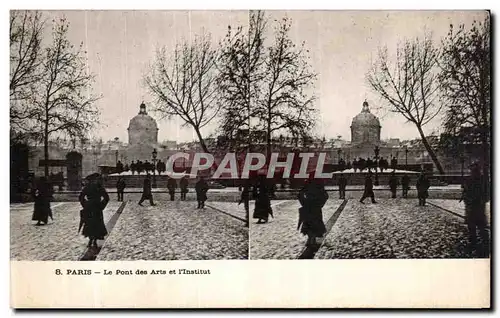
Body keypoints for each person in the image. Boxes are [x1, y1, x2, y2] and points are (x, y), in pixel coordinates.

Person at [461, 163, 488, 247]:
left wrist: (483, 200)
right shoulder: (470, 180)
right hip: (473, 204)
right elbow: (465, 190)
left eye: (474, 170)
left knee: (479, 223)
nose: (473, 172)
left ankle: (482, 240)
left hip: (477, 204)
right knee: (474, 223)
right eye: (472, 170)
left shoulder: (482, 180)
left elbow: (487, 191)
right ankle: (475, 239)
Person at [79, 173, 109, 248]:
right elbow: (106, 198)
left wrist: (85, 204)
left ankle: (91, 240)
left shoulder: (87, 187)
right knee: (97, 224)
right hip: (97, 207)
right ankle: (94, 240)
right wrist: (102, 205)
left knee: (89, 223)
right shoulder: (99, 187)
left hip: (89, 207)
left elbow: (81, 197)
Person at [298, 176, 329, 246]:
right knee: (315, 222)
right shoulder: (319, 184)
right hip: (316, 207)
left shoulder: (307, 183)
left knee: (309, 222)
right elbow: (325, 195)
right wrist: (320, 204)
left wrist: (304, 202)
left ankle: (311, 238)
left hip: (308, 205)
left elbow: (300, 194)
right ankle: (312, 239)